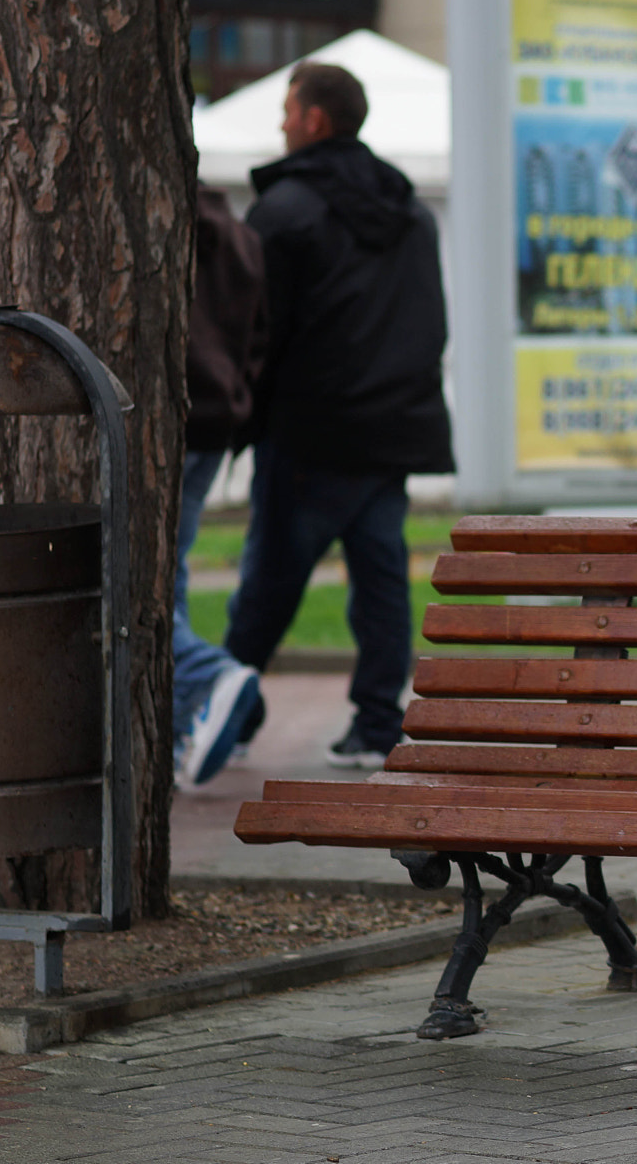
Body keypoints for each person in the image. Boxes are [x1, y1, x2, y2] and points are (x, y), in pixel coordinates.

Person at [225, 61, 454, 768]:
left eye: (288, 111)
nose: (282, 125)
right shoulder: (409, 211)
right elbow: (429, 320)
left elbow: (257, 332)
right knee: (381, 577)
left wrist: (243, 415)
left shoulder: (285, 210)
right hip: (390, 429)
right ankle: (377, 721)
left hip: (310, 431)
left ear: (315, 119)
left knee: (270, 581)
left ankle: (223, 715)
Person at [171, 186, 270, 789]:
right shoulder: (241, 235)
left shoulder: (157, 223)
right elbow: (258, 338)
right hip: (214, 421)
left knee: (129, 581)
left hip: (163, 417)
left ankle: (207, 675)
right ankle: (189, 712)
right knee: (169, 569)